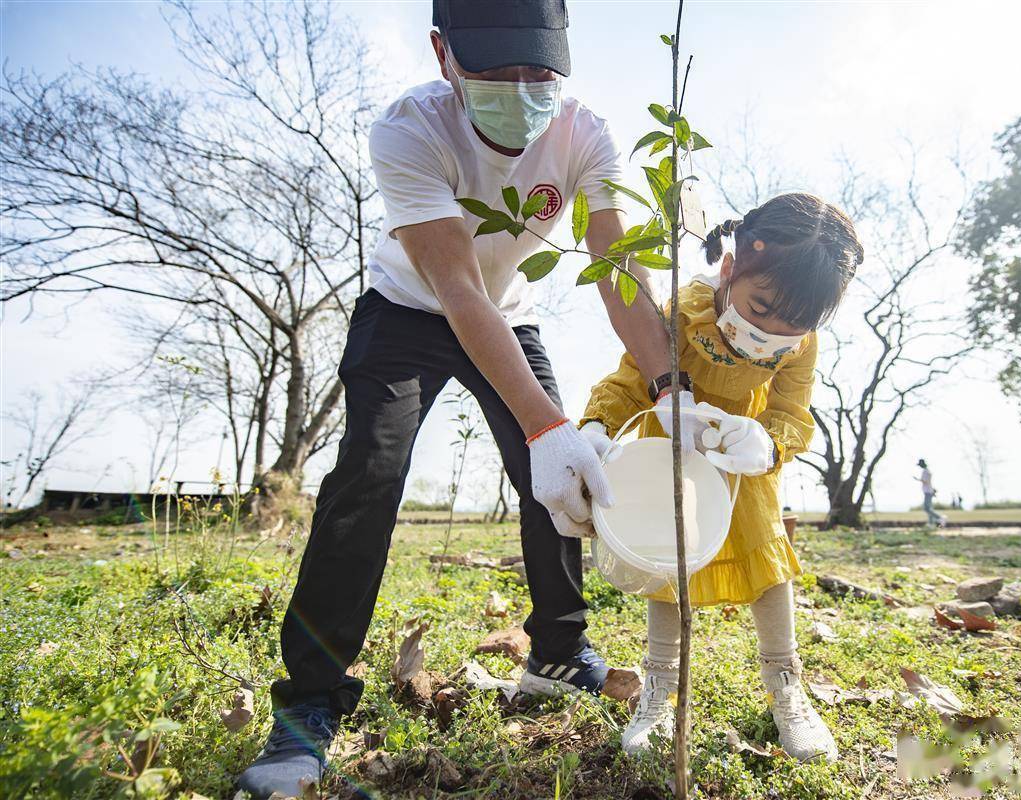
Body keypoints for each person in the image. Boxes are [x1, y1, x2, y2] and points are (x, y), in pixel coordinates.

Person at [237, 2, 696, 796]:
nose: (522, 92)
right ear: (444, 55)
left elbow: (621, 270)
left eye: (539, 73)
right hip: (409, 311)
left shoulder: (585, 132)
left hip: (507, 314)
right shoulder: (409, 129)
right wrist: (545, 424)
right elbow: (454, 286)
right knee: (370, 472)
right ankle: (310, 702)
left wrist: (671, 385)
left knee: (552, 476)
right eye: (496, 73)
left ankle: (558, 650)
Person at [579, 193, 863, 762]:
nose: (770, 333)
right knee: (669, 560)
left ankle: (787, 687)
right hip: (673, 456)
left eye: (794, 325)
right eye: (759, 309)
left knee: (767, 564)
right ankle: (659, 690)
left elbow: (791, 413)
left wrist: (768, 441)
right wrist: (596, 427)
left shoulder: (799, 348)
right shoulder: (681, 314)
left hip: (742, 466)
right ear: (730, 266)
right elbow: (629, 381)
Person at [915, 459, 946, 527]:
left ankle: (940, 518)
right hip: (928, 491)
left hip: (928, 491)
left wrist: (917, 479)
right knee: (929, 508)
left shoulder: (926, 471)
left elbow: (926, 481)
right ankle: (931, 523)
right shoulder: (927, 471)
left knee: (926, 508)